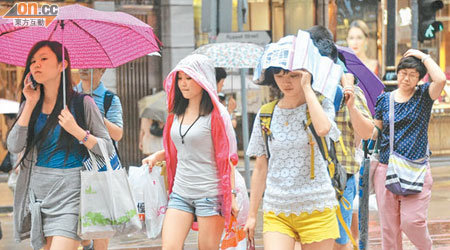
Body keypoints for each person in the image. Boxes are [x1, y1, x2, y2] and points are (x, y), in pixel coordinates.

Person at [7, 40, 114, 250]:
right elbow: (14, 146)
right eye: (33, 61)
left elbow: (107, 150)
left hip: (72, 192)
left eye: (44, 59)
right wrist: (28, 104)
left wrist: (78, 132)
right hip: (38, 194)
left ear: (62, 65)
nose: (36, 65)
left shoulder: (83, 104)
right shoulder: (30, 104)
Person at [244, 42, 342, 249]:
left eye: (293, 75)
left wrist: (307, 88)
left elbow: (324, 129)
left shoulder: (321, 104)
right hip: (277, 209)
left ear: (306, 74)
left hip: (317, 205)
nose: (286, 82)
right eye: (279, 76)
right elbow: (260, 168)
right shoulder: (266, 114)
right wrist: (252, 215)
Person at [142, 54, 238, 250]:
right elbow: (181, 147)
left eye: (189, 78)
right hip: (180, 192)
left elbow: (228, 157)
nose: (183, 84)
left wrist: (233, 195)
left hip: (210, 194)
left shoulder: (217, 115)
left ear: (202, 80)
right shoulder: (175, 113)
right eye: (179, 79)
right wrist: (157, 156)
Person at [307, 26, 375, 250]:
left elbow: (367, 134)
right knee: (309, 239)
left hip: (340, 178)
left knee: (338, 240)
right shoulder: (302, 93)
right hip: (307, 178)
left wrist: (351, 105)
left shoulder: (349, 91)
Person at [373, 49, 446, 250]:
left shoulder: (423, 96)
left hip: (416, 169)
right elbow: (375, 131)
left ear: (419, 79)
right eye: (403, 73)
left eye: (413, 75)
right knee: (389, 229)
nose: (406, 78)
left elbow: (440, 80)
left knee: (412, 222)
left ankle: (426, 247)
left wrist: (422, 56)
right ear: (397, 73)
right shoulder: (384, 100)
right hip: (386, 169)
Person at [75, 68, 123, 250]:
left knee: (102, 223)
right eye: (82, 64)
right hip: (76, 165)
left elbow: (118, 134)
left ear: (102, 70)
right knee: (78, 223)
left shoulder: (110, 99)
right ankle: (87, 245)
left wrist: (95, 114)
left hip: (102, 168)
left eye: (90, 64)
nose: (84, 68)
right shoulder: (69, 95)